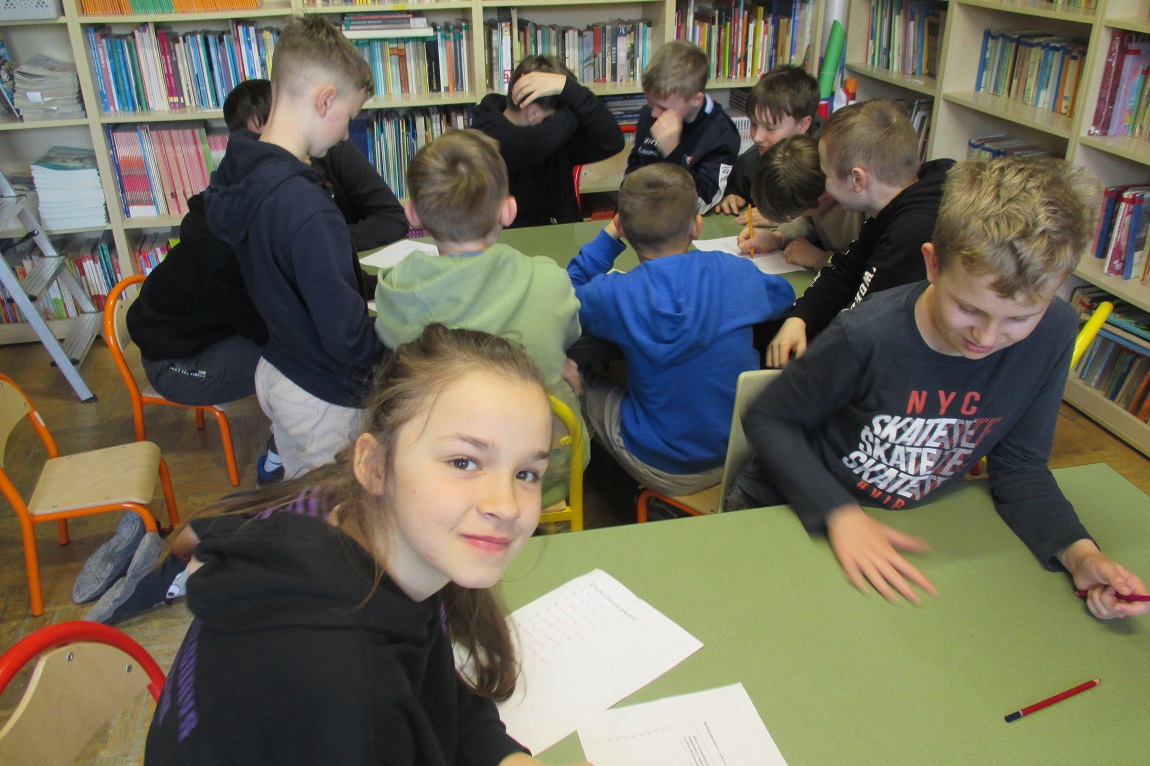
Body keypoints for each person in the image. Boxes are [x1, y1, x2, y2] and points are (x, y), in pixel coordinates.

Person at [144, 324, 592, 766]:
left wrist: (501, 755)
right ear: (374, 466)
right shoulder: (350, 692)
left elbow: (428, 687)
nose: (506, 506)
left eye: (526, 473)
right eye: (464, 462)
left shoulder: (340, 519)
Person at [727, 156, 1150, 621]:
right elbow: (769, 418)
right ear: (932, 263)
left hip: (900, 525)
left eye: (1021, 317)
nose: (987, 337)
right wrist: (839, 514)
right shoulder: (867, 334)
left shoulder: (1051, 333)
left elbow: (1021, 469)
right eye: (969, 308)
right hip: (792, 504)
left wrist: (1080, 554)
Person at [203, 16, 387, 480]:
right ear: (325, 100)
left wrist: (378, 285)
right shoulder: (307, 207)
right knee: (334, 504)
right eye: (348, 117)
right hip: (323, 394)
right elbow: (348, 337)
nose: (345, 134)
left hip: (279, 369)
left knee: (298, 489)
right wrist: (402, 342)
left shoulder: (239, 169)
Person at [373, 129, 585, 509]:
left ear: (412, 213)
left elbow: (392, 345)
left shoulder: (397, 290)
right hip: (544, 472)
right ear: (509, 210)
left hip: (448, 474)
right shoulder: (548, 280)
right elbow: (570, 334)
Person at [565, 164, 795, 497]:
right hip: (741, 451)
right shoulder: (732, 271)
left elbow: (567, 294)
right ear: (697, 226)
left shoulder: (617, 294)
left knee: (578, 379)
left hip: (664, 467)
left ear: (624, 228)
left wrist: (611, 233)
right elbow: (784, 296)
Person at [765, 99, 955, 369]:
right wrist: (801, 318)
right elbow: (846, 268)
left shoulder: (911, 232)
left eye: (826, 173)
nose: (824, 183)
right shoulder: (895, 204)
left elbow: (862, 327)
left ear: (857, 180)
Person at [472, 55, 624, 227]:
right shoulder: (486, 138)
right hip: (512, 240)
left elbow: (612, 140)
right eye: (560, 117)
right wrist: (570, 97)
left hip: (562, 233)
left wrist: (565, 86)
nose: (566, 122)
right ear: (533, 113)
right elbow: (535, 141)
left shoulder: (555, 135)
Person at [625, 40, 740, 214]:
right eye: (650, 102)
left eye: (663, 108)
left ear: (696, 100)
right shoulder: (650, 113)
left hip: (685, 222)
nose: (654, 113)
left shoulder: (722, 135)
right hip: (641, 213)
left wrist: (673, 154)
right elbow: (633, 167)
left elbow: (702, 203)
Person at [736, 134, 863, 270]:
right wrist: (777, 238)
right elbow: (810, 221)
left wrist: (821, 259)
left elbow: (870, 273)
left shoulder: (864, 210)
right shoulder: (817, 189)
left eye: (793, 214)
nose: (796, 217)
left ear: (826, 194)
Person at [716, 65, 820, 221]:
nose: (758, 137)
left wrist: (781, 217)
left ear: (803, 124)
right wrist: (732, 195)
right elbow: (735, 185)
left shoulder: (828, 163)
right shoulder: (751, 161)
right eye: (753, 124)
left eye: (770, 128)